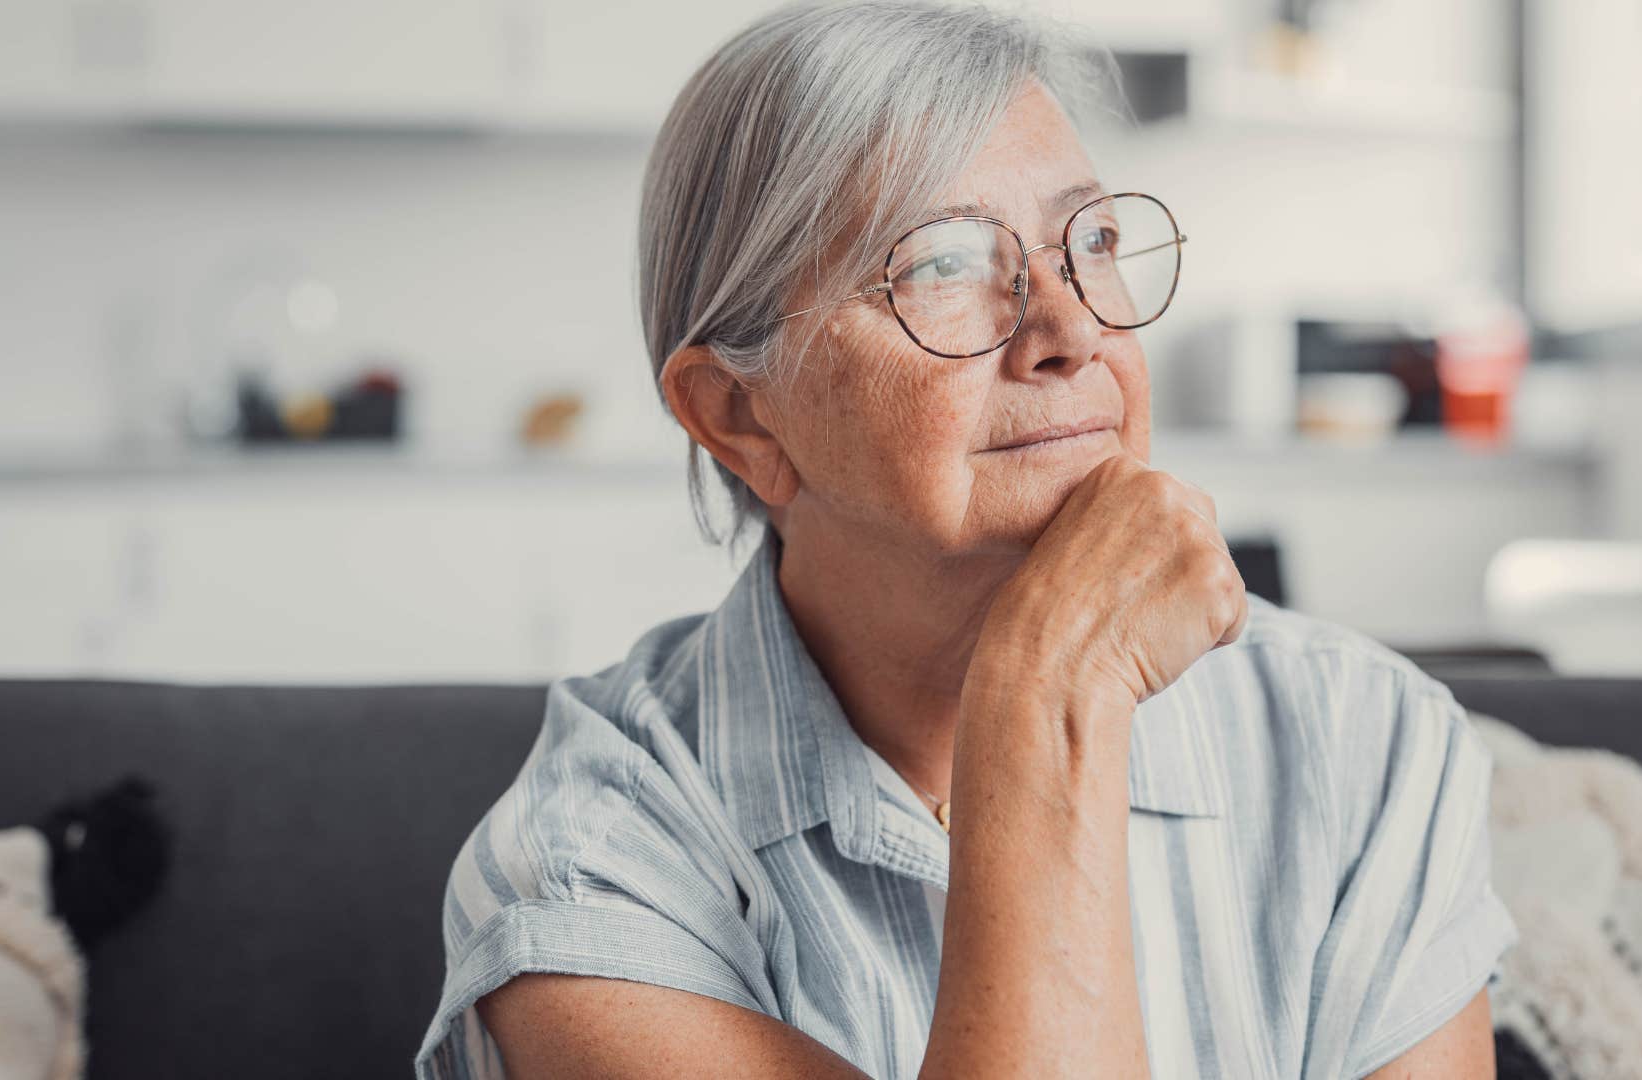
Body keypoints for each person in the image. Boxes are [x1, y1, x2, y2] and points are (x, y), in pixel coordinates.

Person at [415, 2, 1517, 1076]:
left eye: (1093, 240)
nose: (1076, 330)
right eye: (942, 263)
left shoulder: (1358, 739)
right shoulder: (584, 877)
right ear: (741, 416)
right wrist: (1052, 698)